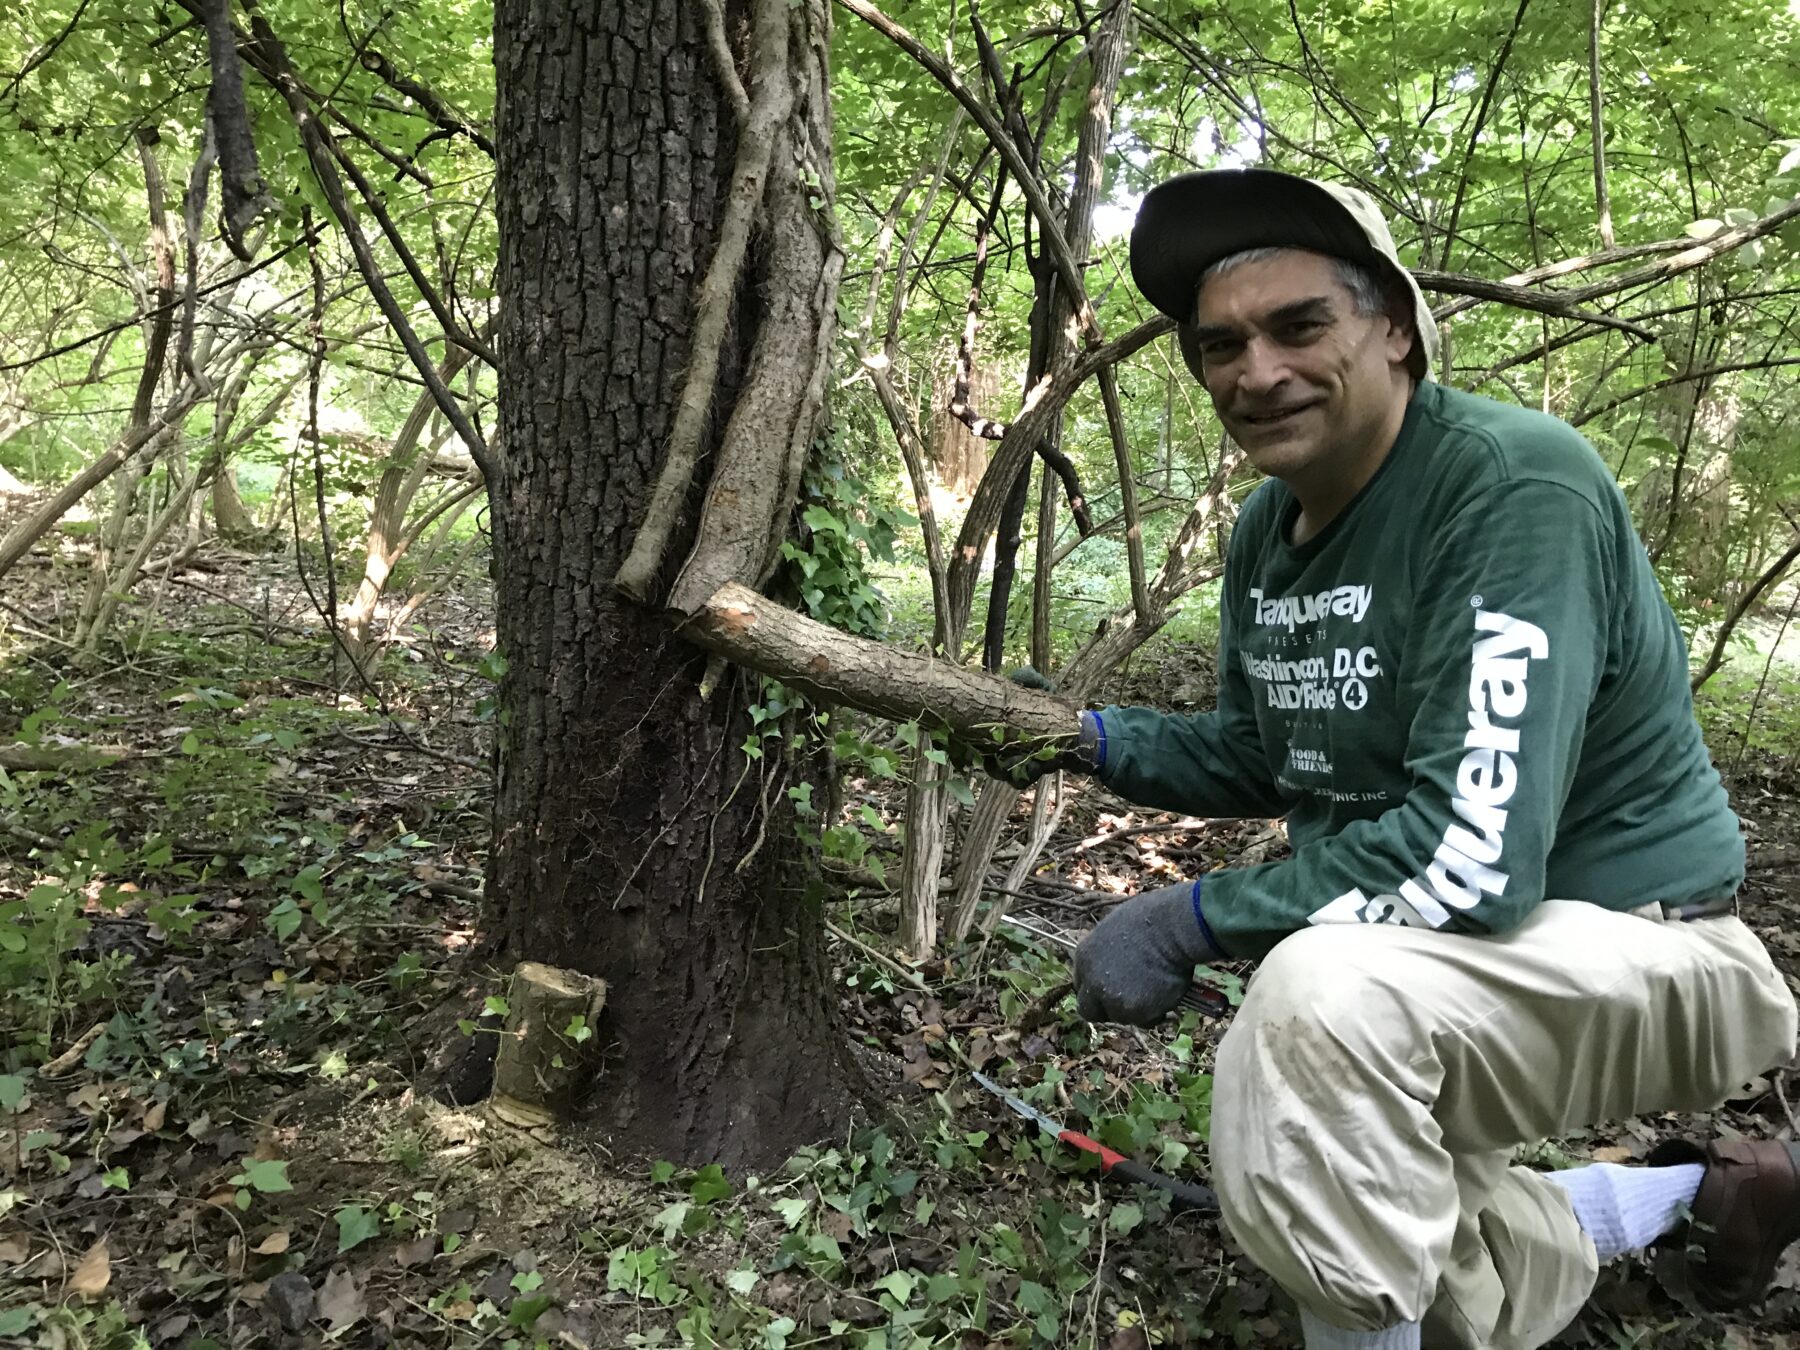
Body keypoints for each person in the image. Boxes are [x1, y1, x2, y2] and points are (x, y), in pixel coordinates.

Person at [1013, 168, 1800, 1350]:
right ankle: (1718, 1192)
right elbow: (1258, 752)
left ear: (1393, 326)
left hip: (1647, 943)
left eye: (1298, 325)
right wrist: (1085, 742)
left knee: (1314, 1010)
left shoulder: (1509, 483)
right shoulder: (1266, 532)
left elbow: (1473, 858)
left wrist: (1188, 920)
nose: (1255, 370)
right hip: (1463, 965)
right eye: (1219, 344)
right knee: (1412, 1239)